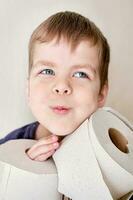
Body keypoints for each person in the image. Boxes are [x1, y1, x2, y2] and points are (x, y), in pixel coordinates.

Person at [0, 11, 109, 162]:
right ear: (28, 88)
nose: (62, 86)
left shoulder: (111, 154)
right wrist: (19, 172)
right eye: (47, 71)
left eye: (80, 74)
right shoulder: (7, 149)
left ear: (101, 94)